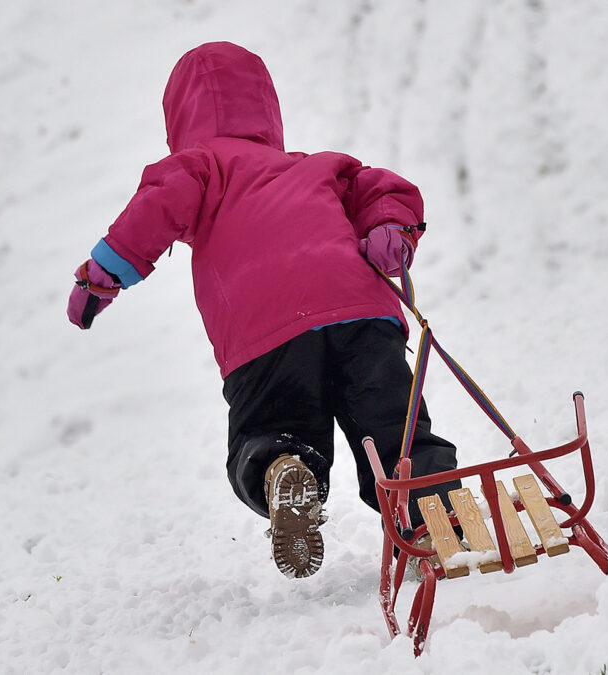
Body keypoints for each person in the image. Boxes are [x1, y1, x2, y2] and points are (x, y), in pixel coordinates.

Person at [67, 42, 459, 578]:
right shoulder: (315, 166)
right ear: (268, 110)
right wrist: (389, 229)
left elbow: (158, 206)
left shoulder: (199, 165)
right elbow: (380, 188)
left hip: (266, 331)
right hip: (358, 311)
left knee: (275, 425)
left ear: (179, 119)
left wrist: (103, 274)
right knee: (395, 427)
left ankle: (282, 467)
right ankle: (437, 520)